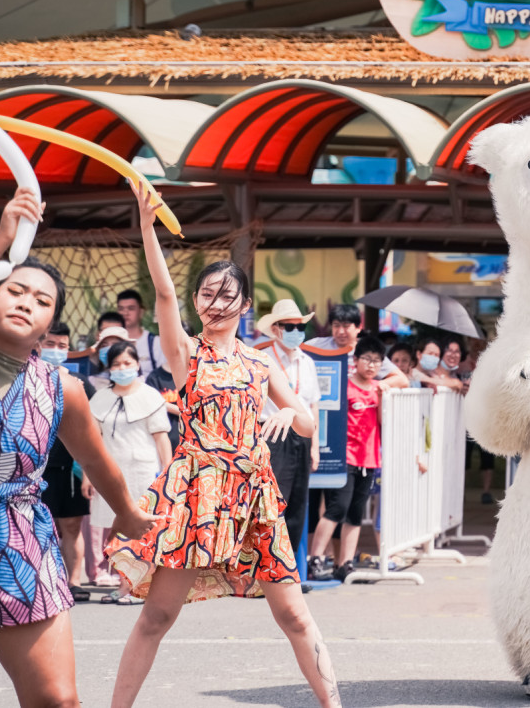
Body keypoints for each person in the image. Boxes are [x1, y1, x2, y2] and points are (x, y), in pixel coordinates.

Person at [106, 184, 341, 708]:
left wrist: (286, 410)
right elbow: (164, 296)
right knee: (158, 616)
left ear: (244, 304)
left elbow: (305, 423)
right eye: (207, 293)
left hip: (254, 494)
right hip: (198, 495)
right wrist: (147, 228)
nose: (215, 302)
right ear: (197, 301)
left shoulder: (260, 363)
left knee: (295, 614)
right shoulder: (186, 354)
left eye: (226, 294)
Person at [0, 187, 157, 706]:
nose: (26, 303)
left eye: (42, 301)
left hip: (19, 538)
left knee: (57, 701)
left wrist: (130, 516)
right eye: (15, 291)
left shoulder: (61, 387)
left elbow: (94, 458)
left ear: (51, 324)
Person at [307, 334, 409, 581]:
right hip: (346, 458)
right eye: (367, 359)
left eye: (376, 361)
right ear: (356, 360)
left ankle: (346, 563)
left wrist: (384, 393)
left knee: (355, 513)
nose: (372, 365)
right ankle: (315, 558)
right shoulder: (345, 385)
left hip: (370, 458)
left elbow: (383, 421)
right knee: (336, 509)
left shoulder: (378, 388)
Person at [82, 339, 173, 604]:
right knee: (116, 531)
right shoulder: (100, 398)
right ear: (109, 368)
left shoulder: (149, 396)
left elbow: (161, 438)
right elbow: (93, 442)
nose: (123, 368)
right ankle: (124, 584)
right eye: (117, 364)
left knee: (137, 530)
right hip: (109, 474)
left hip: (142, 473)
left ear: (137, 364)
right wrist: (88, 477)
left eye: (128, 363)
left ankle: (137, 586)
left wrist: (167, 474)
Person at [257, 299, 321, 569]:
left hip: (302, 435)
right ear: (276, 329)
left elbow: (313, 406)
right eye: (290, 326)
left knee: (297, 504)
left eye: (300, 325)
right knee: (271, 504)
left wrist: (314, 446)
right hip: (272, 433)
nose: (296, 330)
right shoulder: (263, 359)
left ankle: (287, 571)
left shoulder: (307, 362)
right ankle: (264, 569)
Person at [37, 323, 95, 602]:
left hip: (71, 467)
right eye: (51, 345)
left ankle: (74, 582)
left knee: (72, 526)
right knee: (40, 527)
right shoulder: (25, 378)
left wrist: (87, 473)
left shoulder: (80, 384)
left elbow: (94, 430)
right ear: (38, 344)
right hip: (37, 469)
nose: (57, 351)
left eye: (62, 346)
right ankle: (44, 581)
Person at [308, 303, 395, 380]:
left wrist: (373, 387)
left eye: (346, 326)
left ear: (359, 328)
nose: (341, 331)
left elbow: (400, 379)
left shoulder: (368, 349)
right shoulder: (315, 345)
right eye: (336, 325)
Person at [116, 288, 166, 380]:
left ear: (141, 312)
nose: (125, 313)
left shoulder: (155, 342)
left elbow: (163, 376)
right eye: (121, 309)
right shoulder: (112, 341)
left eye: (131, 308)